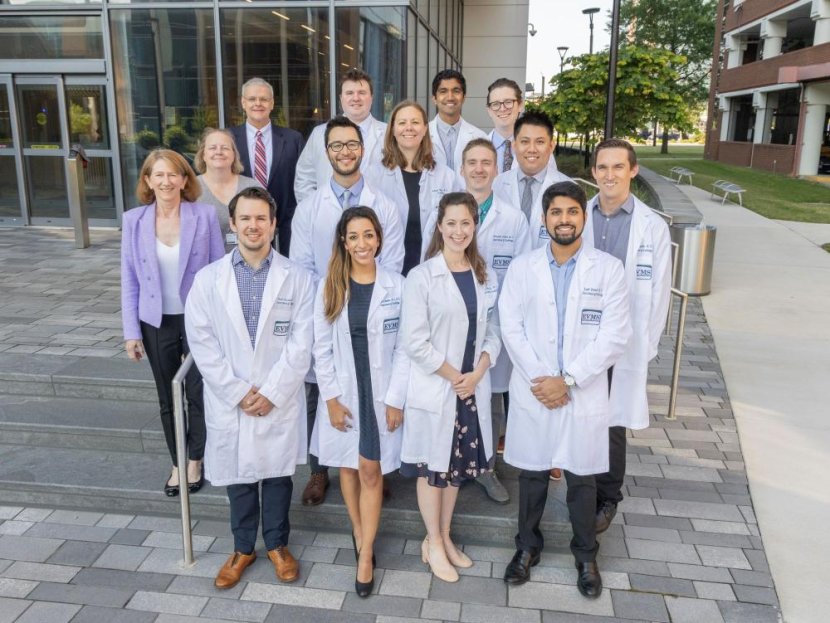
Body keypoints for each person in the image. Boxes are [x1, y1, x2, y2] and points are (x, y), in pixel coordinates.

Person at [499, 181, 631, 598]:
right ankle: (526, 549)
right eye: (556, 212)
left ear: (583, 218)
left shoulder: (608, 269)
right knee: (533, 473)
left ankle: (586, 554)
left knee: (582, 477)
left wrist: (569, 379)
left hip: (581, 389)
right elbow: (511, 327)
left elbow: (615, 334)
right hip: (537, 388)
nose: (564, 219)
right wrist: (544, 379)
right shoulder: (523, 268)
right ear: (544, 219)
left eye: (572, 212)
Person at [184, 186, 314, 589]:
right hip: (232, 400)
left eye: (262, 218)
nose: (253, 225)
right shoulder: (208, 281)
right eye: (245, 218)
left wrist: (272, 392)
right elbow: (202, 343)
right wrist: (239, 392)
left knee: (277, 474)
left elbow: (303, 341)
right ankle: (243, 548)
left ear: (274, 224)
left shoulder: (298, 278)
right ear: (233, 224)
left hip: (278, 397)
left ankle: (277, 544)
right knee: (239, 475)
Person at [291, 115, 405, 507]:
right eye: (336, 145)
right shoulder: (308, 208)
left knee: (373, 389)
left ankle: (375, 464)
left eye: (351, 144)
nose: (345, 151)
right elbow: (303, 268)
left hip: (372, 309)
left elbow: (391, 262)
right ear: (327, 153)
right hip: (328, 309)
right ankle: (320, 471)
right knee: (321, 394)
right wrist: (331, 303)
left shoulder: (384, 206)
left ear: (363, 149)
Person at [421, 139, 530, 504]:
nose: (479, 168)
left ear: (497, 169)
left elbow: (521, 275)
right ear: (462, 167)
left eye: (487, 162)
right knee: (448, 406)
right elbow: (428, 259)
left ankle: (485, 470)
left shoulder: (513, 218)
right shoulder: (445, 212)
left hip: (489, 325)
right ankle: (448, 467)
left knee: (490, 400)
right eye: (472, 162)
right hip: (446, 333)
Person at [399, 192, 501, 583]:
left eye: (466, 223)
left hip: (470, 388)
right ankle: (433, 541)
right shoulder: (422, 276)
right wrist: (455, 376)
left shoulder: (482, 273)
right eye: (451, 223)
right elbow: (414, 341)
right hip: (441, 388)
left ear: (475, 227)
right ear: (439, 226)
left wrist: (478, 371)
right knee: (432, 471)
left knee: (456, 469)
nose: (459, 231)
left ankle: (442, 536)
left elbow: (494, 328)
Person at [311, 207, 407, 598]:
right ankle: (358, 530)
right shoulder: (329, 286)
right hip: (345, 393)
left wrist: (397, 398)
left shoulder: (397, 286)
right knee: (348, 470)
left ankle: (365, 552)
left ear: (379, 239)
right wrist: (331, 399)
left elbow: (405, 349)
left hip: (380, 393)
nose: (362, 243)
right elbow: (320, 348)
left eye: (369, 235)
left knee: (371, 470)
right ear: (343, 242)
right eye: (354, 237)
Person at [121, 148, 223, 497]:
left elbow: (217, 272)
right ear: (148, 181)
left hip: (197, 320)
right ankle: (177, 462)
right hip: (155, 321)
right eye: (158, 175)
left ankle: (196, 457)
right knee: (167, 396)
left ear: (184, 180)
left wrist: (220, 324)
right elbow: (129, 279)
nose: (166, 181)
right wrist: (131, 331)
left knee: (197, 391)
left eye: (172, 175)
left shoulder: (204, 215)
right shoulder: (133, 220)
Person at [584, 139, 672, 535]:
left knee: (613, 420)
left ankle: (608, 497)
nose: (609, 175)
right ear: (593, 172)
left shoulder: (652, 226)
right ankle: (582, 489)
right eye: (602, 167)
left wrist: (644, 347)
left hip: (625, 339)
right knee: (583, 415)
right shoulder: (580, 215)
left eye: (618, 167)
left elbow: (658, 293)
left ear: (633, 171)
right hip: (584, 337)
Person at [365, 100, 461, 275]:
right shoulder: (373, 176)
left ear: (425, 129)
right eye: (402, 123)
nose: (409, 128)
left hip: (434, 270)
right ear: (392, 130)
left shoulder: (446, 177)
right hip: (385, 271)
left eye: (415, 122)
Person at [229, 77, 304, 254]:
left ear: (271, 104)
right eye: (252, 99)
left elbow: (302, 181)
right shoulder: (229, 138)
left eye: (263, 99)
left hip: (286, 230)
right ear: (243, 102)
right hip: (246, 229)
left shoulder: (293, 139)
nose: (258, 104)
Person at [294, 69, 387, 202]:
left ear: (371, 97)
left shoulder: (389, 134)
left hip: (376, 217)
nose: (356, 98)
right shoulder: (319, 134)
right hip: (327, 217)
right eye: (349, 93)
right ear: (341, 98)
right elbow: (304, 179)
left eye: (362, 93)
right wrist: (315, 211)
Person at [492, 111, 572, 251]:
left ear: (551, 146)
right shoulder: (496, 185)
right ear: (514, 146)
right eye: (525, 142)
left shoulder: (569, 189)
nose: (532, 149)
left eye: (540, 142)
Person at [194, 127, 261, 251]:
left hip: (250, 263)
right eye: (212, 148)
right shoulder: (190, 189)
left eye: (225, 148)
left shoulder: (253, 187)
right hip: (206, 266)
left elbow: (267, 226)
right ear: (203, 155)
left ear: (234, 154)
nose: (219, 152)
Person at [428, 70, 487, 174]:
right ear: (434, 99)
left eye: (456, 91)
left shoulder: (480, 137)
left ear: (463, 97)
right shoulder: (421, 135)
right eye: (443, 91)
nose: (450, 97)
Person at [485, 78, 524, 174]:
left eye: (508, 102)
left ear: (520, 105)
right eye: (495, 104)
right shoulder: (476, 150)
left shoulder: (538, 149)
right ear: (489, 110)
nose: (502, 109)